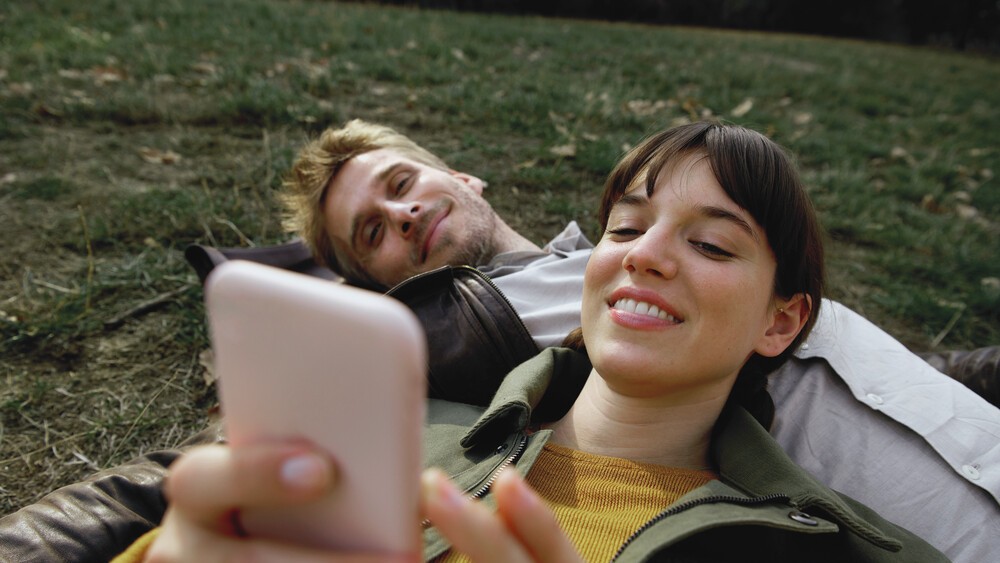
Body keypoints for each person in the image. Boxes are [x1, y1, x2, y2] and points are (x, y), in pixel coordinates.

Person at [0, 119, 997, 561]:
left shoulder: (622, 247)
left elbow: (896, 377)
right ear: (369, 284)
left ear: (465, 178)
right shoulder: (435, 354)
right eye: (372, 238)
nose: (402, 222)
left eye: (401, 187)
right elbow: (194, 471)